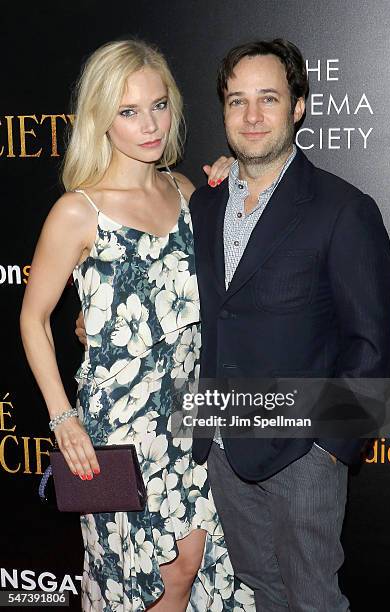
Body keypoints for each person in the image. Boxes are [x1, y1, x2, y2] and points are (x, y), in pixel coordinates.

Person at [20, 39, 254, 612]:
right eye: (128, 111)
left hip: (194, 419)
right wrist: (63, 419)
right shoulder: (78, 211)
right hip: (120, 430)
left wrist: (235, 181)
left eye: (158, 105)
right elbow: (33, 318)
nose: (149, 125)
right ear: (102, 119)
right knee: (152, 580)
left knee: (194, 567)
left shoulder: (186, 191)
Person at [188, 39, 390, 611]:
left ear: (299, 106)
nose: (252, 116)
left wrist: (329, 447)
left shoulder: (343, 208)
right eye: (237, 101)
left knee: (313, 601)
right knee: (263, 595)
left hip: (302, 453)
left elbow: (372, 342)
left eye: (268, 99)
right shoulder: (203, 204)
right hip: (224, 444)